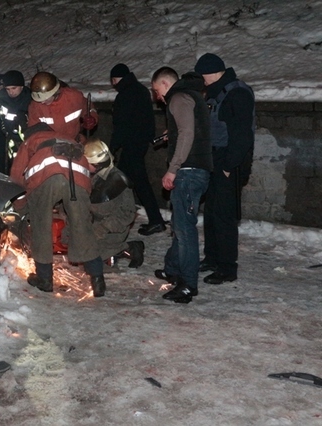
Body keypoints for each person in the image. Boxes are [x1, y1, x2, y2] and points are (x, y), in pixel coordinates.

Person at [10, 123, 106, 297]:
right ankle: (98, 279)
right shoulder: (68, 139)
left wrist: (19, 205)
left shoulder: (30, 140)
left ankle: (44, 279)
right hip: (79, 178)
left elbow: (17, 176)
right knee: (82, 227)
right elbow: (84, 183)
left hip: (46, 177)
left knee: (41, 226)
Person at [150, 67, 212, 304]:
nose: (157, 97)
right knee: (180, 223)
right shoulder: (192, 95)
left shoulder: (178, 98)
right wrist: (172, 133)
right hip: (195, 169)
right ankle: (173, 269)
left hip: (188, 171)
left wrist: (173, 168)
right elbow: (189, 129)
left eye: (157, 90)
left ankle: (187, 284)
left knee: (185, 230)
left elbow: (187, 133)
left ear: (165, 84)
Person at [194, 53, 255, 285]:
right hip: (215, 159)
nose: (202, 81)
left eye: (203, 76)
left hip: (228, 162)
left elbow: (242, 135)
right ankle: (212, 258)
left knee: (224, 216)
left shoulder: (237, 93)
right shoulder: (216, 91)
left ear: (211, 73)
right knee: (211, 212)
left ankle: (227, 267)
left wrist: (229, 165)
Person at [108, 63, 166, 236]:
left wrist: (112, 147)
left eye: (113, 80)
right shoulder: (140, 90)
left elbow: (121, 125)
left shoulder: (125, 95)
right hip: (139, 142)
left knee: (134, 182)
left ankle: (154, 220)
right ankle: (121, 215)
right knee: (124, 180)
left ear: (116, 79)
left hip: (131, 144)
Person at [83, 138, 144, 270]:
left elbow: (127, 214)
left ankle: (129, 248)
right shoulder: (95, 177)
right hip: (97, 224)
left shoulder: (119, 181)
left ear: (95, 164)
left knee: (94, 264)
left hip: (112, 229)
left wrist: (102, 228)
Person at [27, 71, 98, 142]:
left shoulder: (74, 97)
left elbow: (88, 107)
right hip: (51, 145)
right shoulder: (35, 107)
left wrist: (92, 117)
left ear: (55, 93)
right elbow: (34, 133)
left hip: (75, 141)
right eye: (39, 100)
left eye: (45, 98)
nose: (42, 102)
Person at [0, 70, 32, 173]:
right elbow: (2, 116)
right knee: (16, 169)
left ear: (21, 86)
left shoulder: (31, 99)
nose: (11, 92)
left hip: (29, 140)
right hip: (12, 141)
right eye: (8, 89)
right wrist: (5, 128)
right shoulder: (2, 99)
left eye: (14, 88)